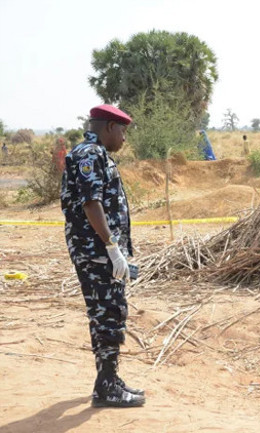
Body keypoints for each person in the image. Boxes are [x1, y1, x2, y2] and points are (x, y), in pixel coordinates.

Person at [60, 104, 145, 408]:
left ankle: (108, 378)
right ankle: (106, 387)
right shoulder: (90, 155)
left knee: (108, 313)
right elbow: (91, 203)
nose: (124, 138)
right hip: (96, 252)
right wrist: (111, 247)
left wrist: (117, 250)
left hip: (102, 252)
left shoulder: (96, 155)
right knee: (108, 314)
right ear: (109, 127)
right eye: (122, 131)